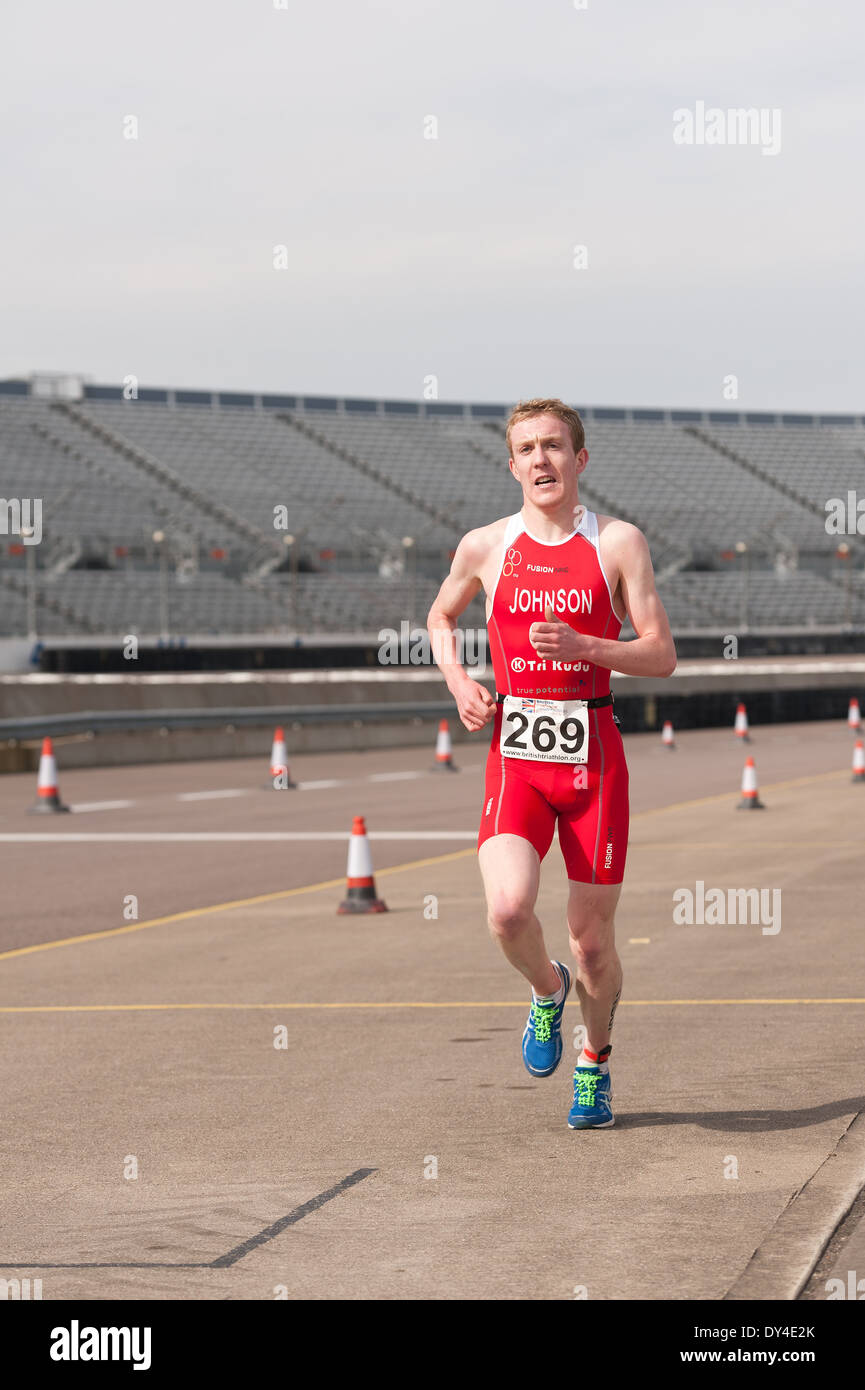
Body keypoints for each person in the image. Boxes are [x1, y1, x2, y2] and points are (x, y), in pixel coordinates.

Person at [427, 398, 676, 1128]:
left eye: (554, 447)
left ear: (579, 460)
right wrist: (459, 681)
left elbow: (660, 652)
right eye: (527, 449)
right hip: (517, 756)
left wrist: (588, 647)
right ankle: (545, 990)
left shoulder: (618, 544)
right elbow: (441, 616)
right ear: (512, 465)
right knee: (507, 912)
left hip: (594, 760)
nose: (541, 459)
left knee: (593, 943)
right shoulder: (485, 547)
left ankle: (593, 1064)